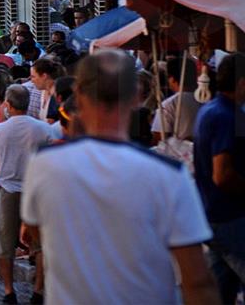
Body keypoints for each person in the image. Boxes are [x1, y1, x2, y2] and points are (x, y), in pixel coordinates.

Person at [21, 50, 219, 304]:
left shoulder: (44, 163)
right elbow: (197, 279)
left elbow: (35, 229)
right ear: (137, 96)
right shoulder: (169, 174)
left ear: (78, 94)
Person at [0, 85, 53, 303]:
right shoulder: (42, 128)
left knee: (5, 243)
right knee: (40, 243)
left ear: (8, 104)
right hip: (36, 187)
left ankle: (8, 290)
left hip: (8, 188)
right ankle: (38, 290)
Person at [193, 52, 245, 302]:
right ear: (242, 82)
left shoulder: (210, 110)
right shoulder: (225, 116)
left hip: (211, 215)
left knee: (219, 291)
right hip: (229, 217)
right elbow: (222, 174)